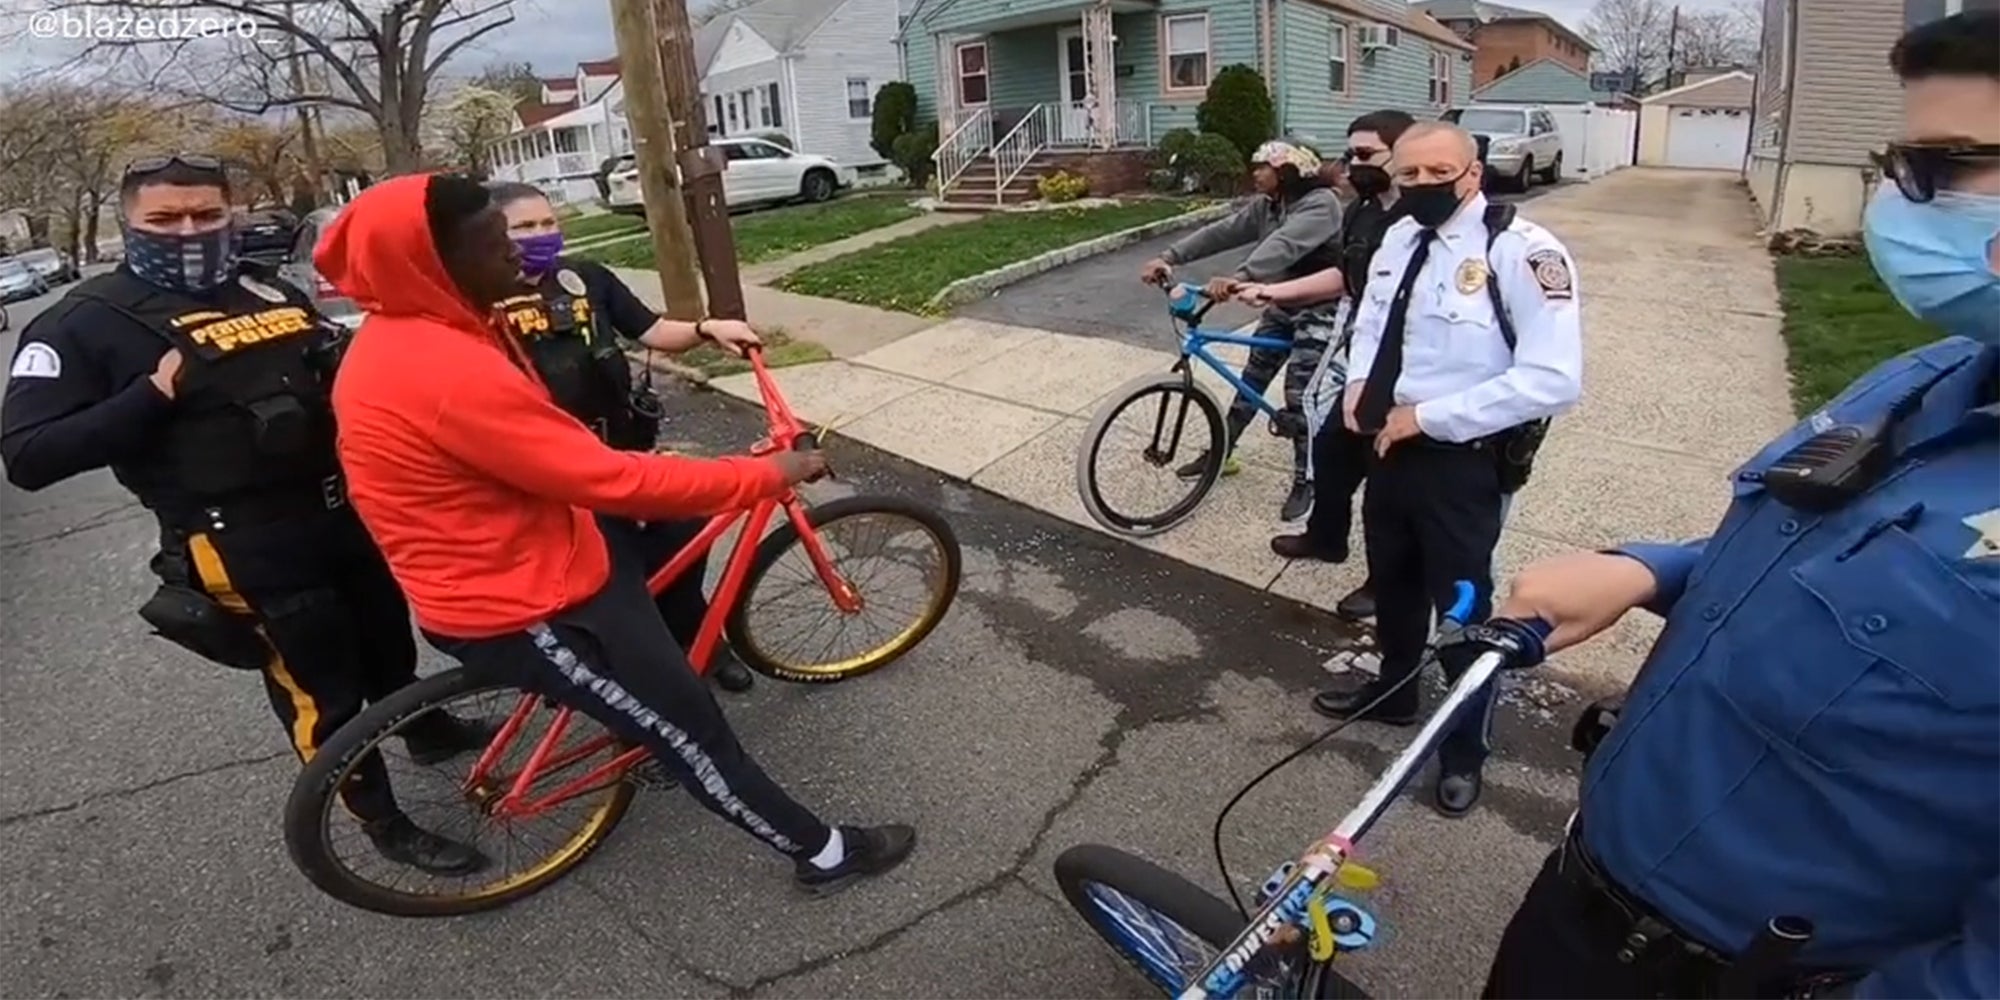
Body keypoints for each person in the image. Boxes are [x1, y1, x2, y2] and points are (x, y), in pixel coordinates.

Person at [1479, 13, 1999, 997]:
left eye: (1945, 165)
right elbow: (1829, 562)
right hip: (1581, 902)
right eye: (1896, 160)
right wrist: (1651, 569)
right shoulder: (1932, 377)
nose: (1898, 198)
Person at [320, 172, 916, 895]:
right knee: (694, 735)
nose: (515, 255)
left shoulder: (426, 328)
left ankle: (642, 723)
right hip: (528, 608)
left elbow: (543, 449)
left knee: (664, 669)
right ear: (434, 265)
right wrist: (764, 473)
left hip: (549, 561)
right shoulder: (438, 369)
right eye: (493, 243)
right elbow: (611, 481)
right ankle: (823, 853)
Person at [0, 154, 489, 875]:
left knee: (387, 642)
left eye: (207, 214)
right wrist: (149, 398)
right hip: (243, 542)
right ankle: (381, 820)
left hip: (344, 510)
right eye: (165, 220)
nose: (189, 231)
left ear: (231, 213)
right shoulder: (81, 323)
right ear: (127, 224)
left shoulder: (262, 287)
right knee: (322, 689)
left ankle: (427, 728)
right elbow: (28, 457)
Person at [1315, 122, 1582, 817]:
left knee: (1464, 615)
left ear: (1474, 172)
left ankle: (1464, 751)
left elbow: (1554, 379)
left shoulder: (1520, 250)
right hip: (1389, 446)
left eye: (1441, 173)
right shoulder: (1398, 237)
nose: (1425, 187)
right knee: (1395, 587)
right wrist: (1359, 388)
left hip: (1462, 461)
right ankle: (1394, 694)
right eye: (1412, 176)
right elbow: (1375, 323)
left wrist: (1427, 418)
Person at [486, 181, 759, 694]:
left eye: (548, 223)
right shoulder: (482, 300)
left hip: (625, 456)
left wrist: (707, 329)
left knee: (684, 536)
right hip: (560, 479)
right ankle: (640, 682)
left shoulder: (585, 279)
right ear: (494, 235)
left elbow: (653, 331)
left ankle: (699, 641)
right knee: (617, 584)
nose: (542, 235)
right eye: (524, 227)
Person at [1240, 110, 1418, 622]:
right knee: (1333, 450)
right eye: (1350, 154)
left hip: (1407, 366)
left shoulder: (1417, 217)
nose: (1352, 165)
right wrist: (1272, 290)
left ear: (1400, 153)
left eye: (1365, 155)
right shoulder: (1361, 209)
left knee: (1387, 483)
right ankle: (1326, 538)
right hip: (1362, 353)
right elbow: (1348, 276)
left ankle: (1384, 583)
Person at [1138, 140, 1343, 521]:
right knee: (1252, 380)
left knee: (1301, 397)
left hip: (1321, 308)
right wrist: (1169, 257)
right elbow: (1223, 231)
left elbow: (1285, 244)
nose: (1255, 172)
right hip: (1280, 305)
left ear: (1286, 172)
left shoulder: (1321, 204)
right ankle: (1221, 452)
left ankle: (1308, 479)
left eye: (1262, 166)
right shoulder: (1268, 205)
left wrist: (1241, 277)